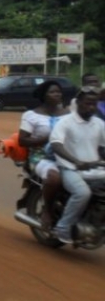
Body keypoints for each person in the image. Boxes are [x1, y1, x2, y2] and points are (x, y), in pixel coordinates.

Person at [49, 86, 105, 244]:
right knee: (82, 193)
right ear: (78, 102)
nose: (91, 107)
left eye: (94, 104)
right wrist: (75, 161)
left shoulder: (99, 123)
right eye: (88, 103)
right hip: (70, 168)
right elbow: (56, 144)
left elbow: (102, 148)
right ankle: (63, 227)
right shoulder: (65, 122)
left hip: (95, 168)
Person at [18, 81, 69, 228]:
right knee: (54, 178)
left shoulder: (68, 114)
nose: (57, 94)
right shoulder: (31, 115)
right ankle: (47, 209)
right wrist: (47, 138)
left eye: (58, 92)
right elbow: (22, 140)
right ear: (43, 96)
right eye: (52, 92)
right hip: (40, 156)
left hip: (66, 154)